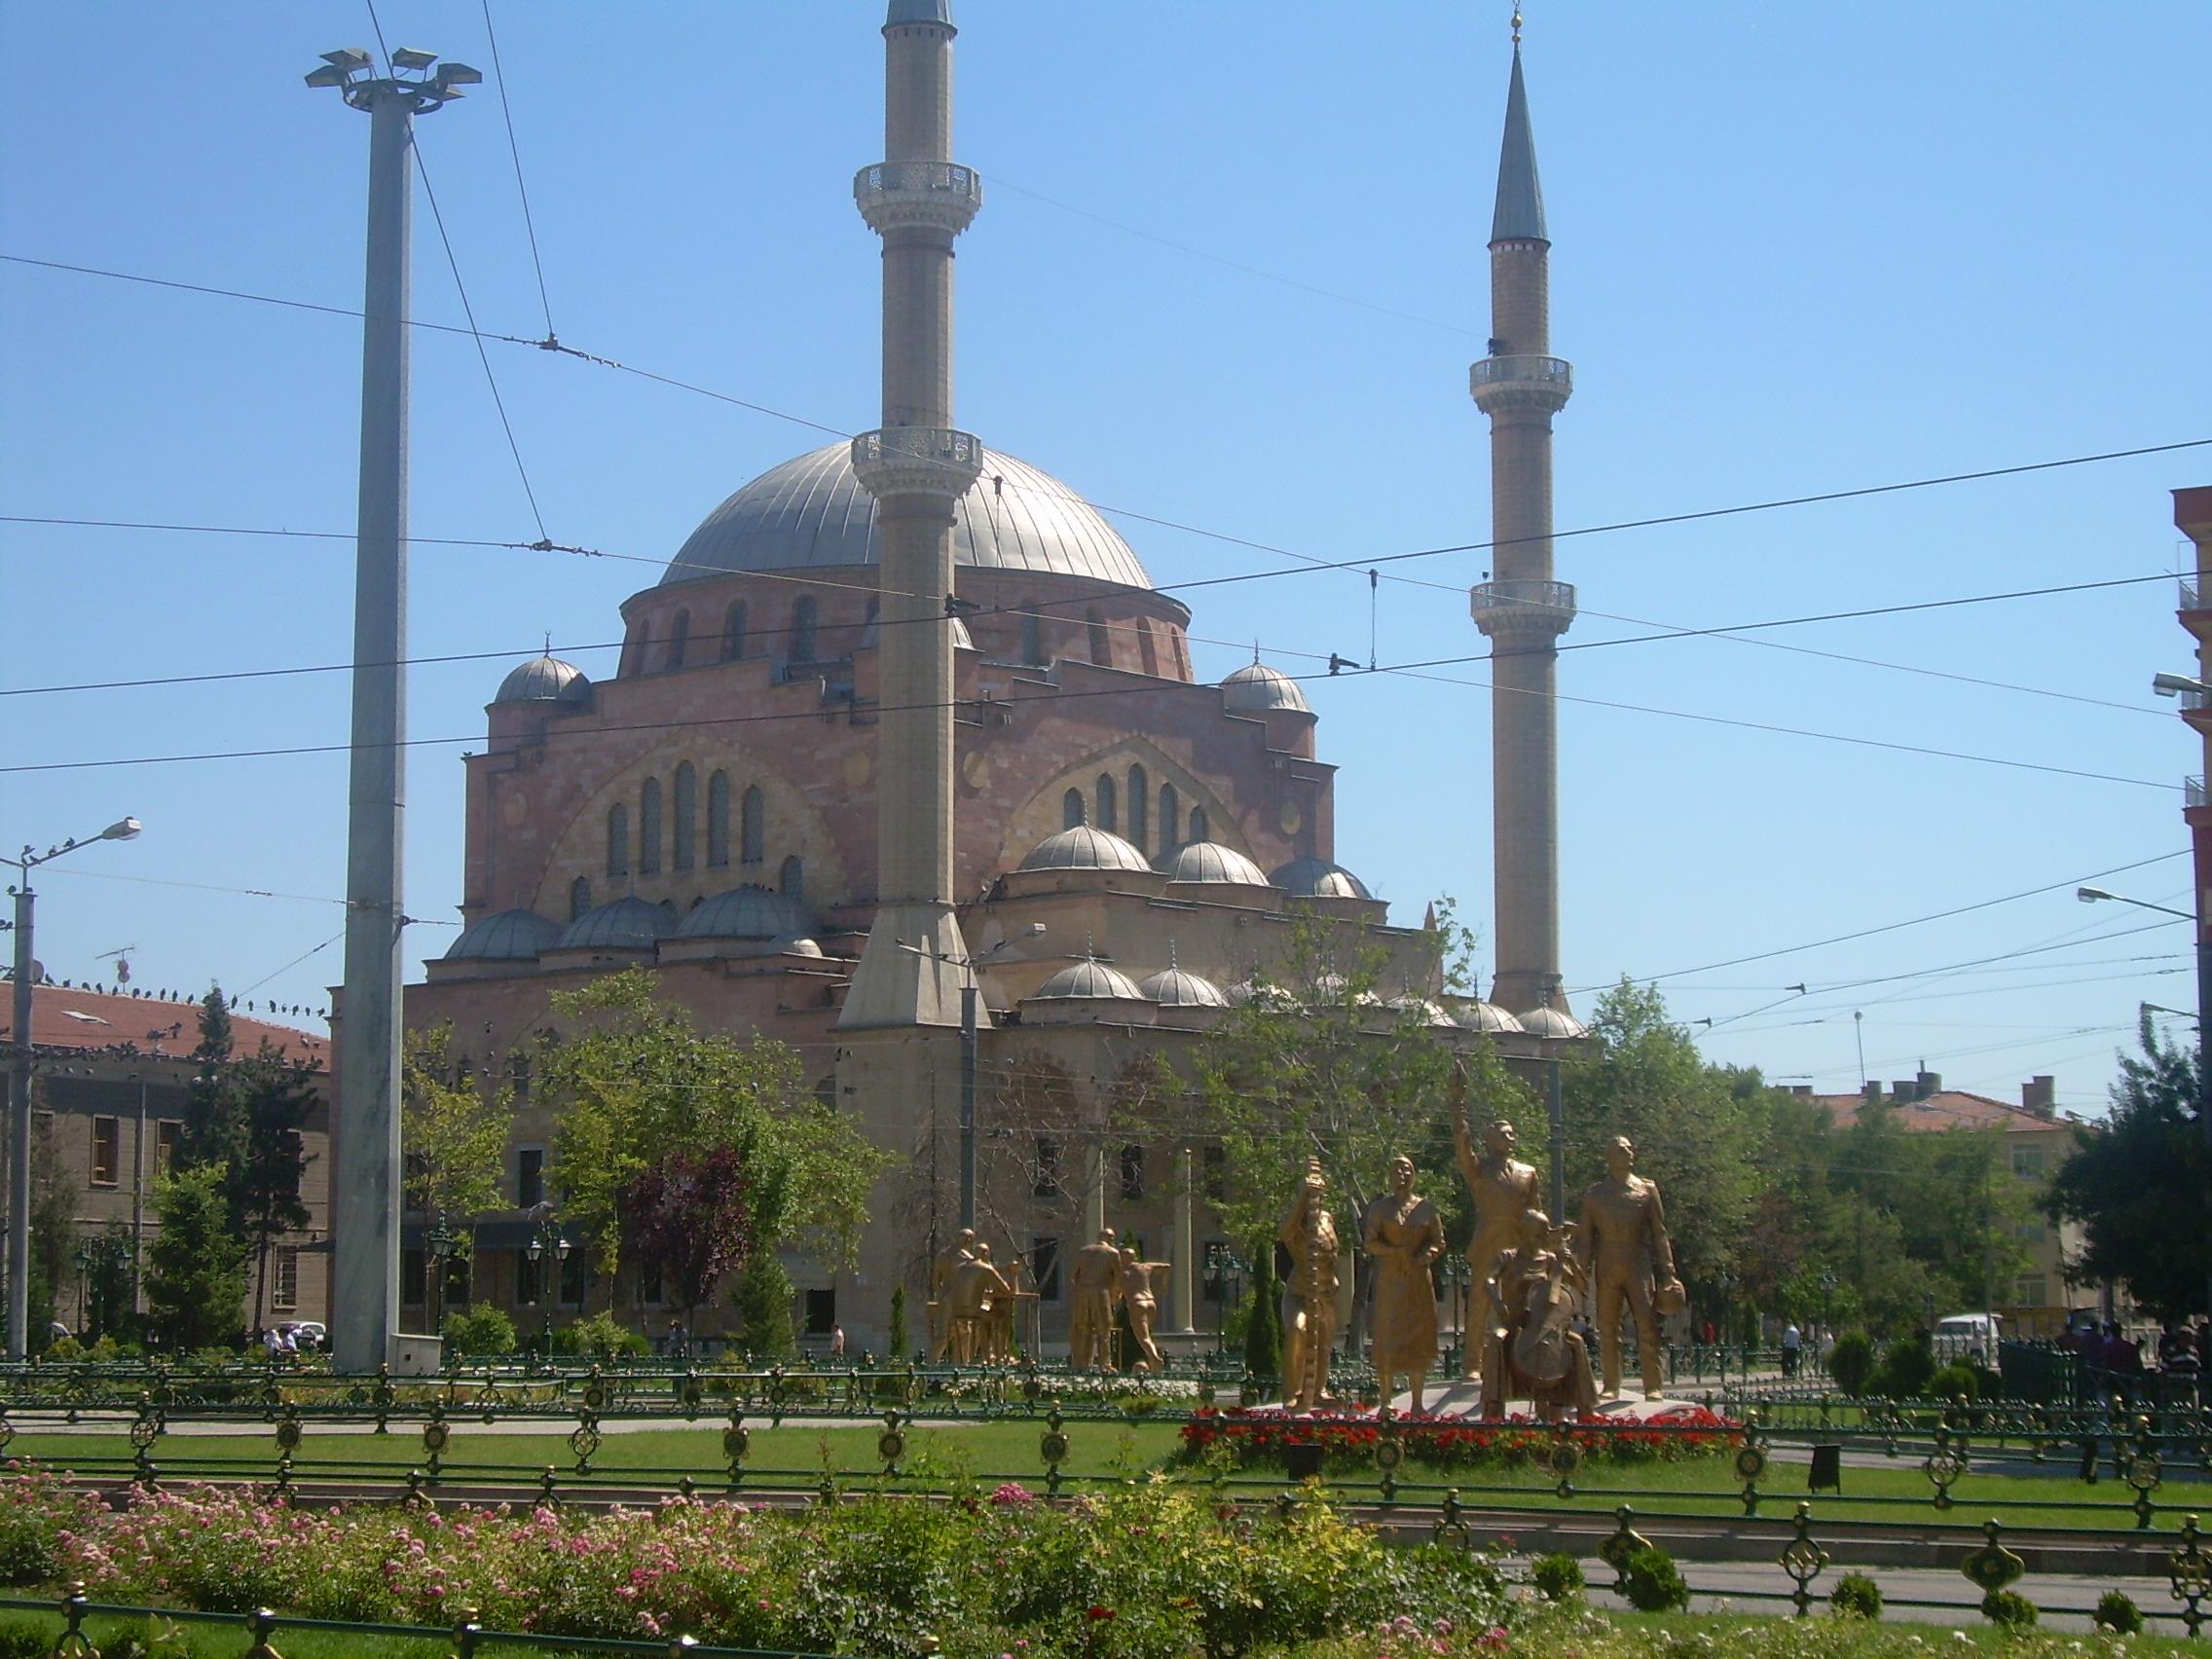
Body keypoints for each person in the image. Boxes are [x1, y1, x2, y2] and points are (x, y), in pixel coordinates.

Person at [1575, 1134, 1683, 1400]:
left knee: (1647, 1324)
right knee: (1607, 1328)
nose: (1630, 1153)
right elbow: (1586, 1238)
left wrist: (1669, 1272)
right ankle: (1611, 1384)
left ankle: (1652, 1386)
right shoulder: (1595, 1194)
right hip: (1607, 1264)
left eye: (1630, 1149)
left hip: (1638, 1264)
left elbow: (1659, 1233)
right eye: (1623, 1150)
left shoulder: (1647, 1190)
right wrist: (1580, 1272)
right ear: (1610, 1157)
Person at [1452, 1091, 1542, 1383]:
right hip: (1488, 1243)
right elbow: (1462, 1145)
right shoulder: (1479, 1169)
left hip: (1519, 1244)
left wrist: (1541, 1241)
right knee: (1480, 1302)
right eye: (1505, 1134)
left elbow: (1535, 1212)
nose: (1511, 1138)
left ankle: (1524, 1360)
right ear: (1490, 1141)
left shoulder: (1528, 1172)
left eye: (1513, 1134)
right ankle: (1472, 1363)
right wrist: (1458, 1107)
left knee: (1522, 1303)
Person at [1362, 1154, 1445, 1414]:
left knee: (1418, 1340)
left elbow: (1439, 1242)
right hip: (1390, 1281)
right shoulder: (1380, 1209)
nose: (1403, 1175)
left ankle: (1417, 1404)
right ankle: (1386, 1402)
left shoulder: (1426, 1208)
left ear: (1414, 1175)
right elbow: (1369, 1242)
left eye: (1407, 1170)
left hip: (1418, 1281)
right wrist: (1393, 1252)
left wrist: (1424, 1257)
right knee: (1387, 1338)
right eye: (1397, 1170)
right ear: (1390, 1176)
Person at [1280, 1158, 1341, 1412]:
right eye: (1313, 1193)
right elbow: (1285, 1234)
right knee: (1298, 1330)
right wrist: (1303, 1198)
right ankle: (1292, 1393)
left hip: (1326, 1293)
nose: (1318, 1196)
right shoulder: (1297, 1224)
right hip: (1300, 1293)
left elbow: (1332, 1253)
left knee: (1324, 1341)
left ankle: (1318, 1390)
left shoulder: (1327, 1218)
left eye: (1319, 1192)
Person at [1066, 1229, 1124, 1371]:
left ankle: (1081, 1363)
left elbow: (1073, 1276)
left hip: (1082, 1292)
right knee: (1103, 1330)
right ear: (1110, 1238)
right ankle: (1105, 1365)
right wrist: (1115, 1296)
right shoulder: (1112, 1253)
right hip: (1101, 1292)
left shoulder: (1083, 1251)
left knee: (1083, 1329)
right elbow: (1118, 1279)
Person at [1115, 1249, 1173, 1372]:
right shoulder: (1146, 1267)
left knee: (1143, 1338)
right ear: (1135, 1258)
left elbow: (1116, 1295)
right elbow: (1166, 1267)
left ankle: (1155, 1358)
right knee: (1147, 1335)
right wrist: (1164, 1286)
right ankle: (1150, 1362)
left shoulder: (1123, 1274)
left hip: (1137, 1304)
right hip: (1151, 1303)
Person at [927, 1229, 977, 1362]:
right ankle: (960, 1364)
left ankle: (932, 1363)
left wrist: (941, 1295)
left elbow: (935, 1280)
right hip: (959, 1299)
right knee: (962, 1332)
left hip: (947, 1297)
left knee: (947, 1333)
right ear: (968, 1239)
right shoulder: (966, 1258)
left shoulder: (943, 1254)